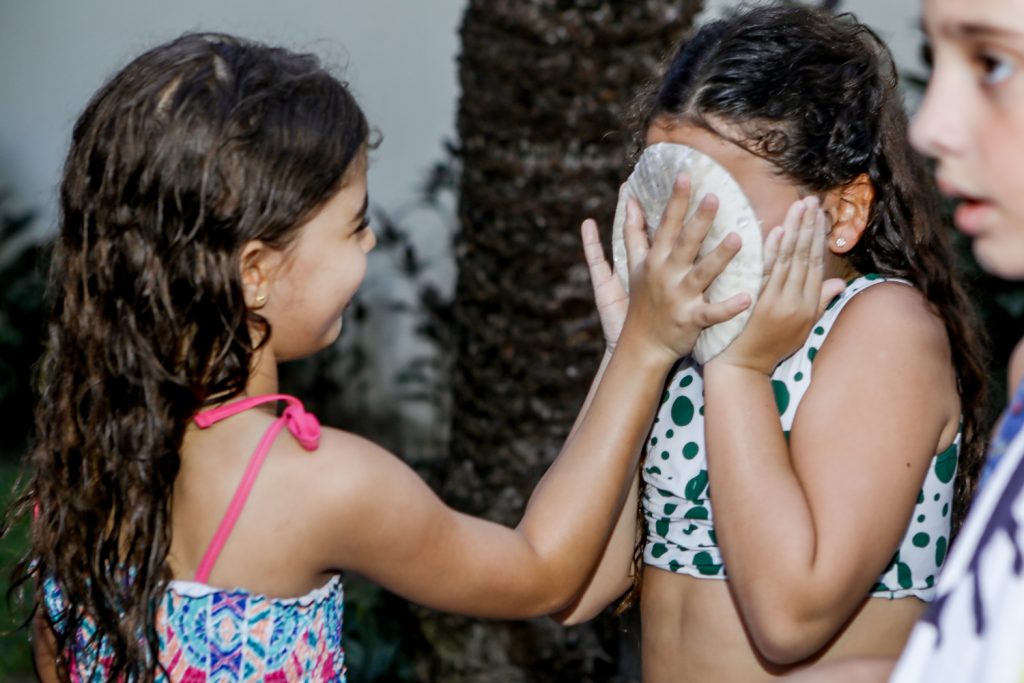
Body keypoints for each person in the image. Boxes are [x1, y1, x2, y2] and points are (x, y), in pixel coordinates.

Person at [5, 32, 766, 682]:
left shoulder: (80, 478)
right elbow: (542, 570)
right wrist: (643, 347)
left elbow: (578, 583)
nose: (371, 241)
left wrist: (624, 355)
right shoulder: (322, 483)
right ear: (258, 271)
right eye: (353, 224)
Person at [556, 5, 988, 681]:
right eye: (664, 200)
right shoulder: (683, 345)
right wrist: (628, 359)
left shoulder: (883, 330)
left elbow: (791, 615)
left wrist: (740, 372)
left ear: (841, 214)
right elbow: (574, 587)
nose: (680, 244)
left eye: (712, 206)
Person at [785, 0, 1024, 681]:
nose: (928, 127)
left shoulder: (884, 325)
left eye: (992, 63)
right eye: (934, 59)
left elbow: (792, 613)